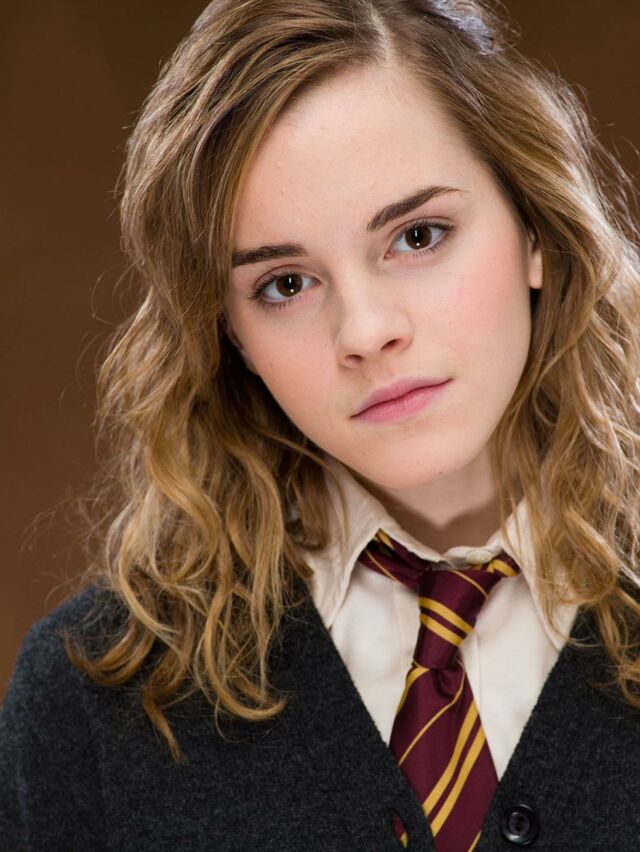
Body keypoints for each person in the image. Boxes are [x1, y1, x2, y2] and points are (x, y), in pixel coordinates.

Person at [2, 0, 640, 849]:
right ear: (231, 335)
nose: (365, 332)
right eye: (286, 285)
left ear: (534, 230)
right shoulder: (88, 705)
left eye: (419, 236)